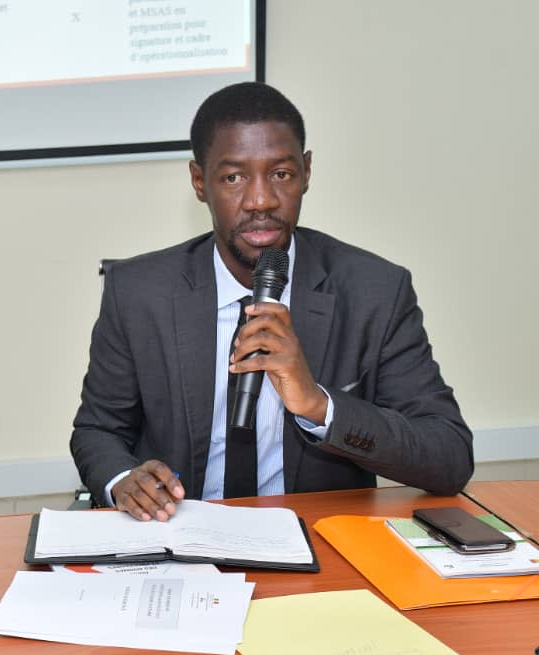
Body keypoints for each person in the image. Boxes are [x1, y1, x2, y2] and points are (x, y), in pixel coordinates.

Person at [70, 82, 472, 522]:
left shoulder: (374, 292)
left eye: (280, 174)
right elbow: (97, 430)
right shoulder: (138, 292)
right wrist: (122, 480)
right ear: (200, 181)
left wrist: (319, 404)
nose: (261, 200)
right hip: (178, 534)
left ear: (306, 172)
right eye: (234, 178)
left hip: (315, 539)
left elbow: (449, 456)